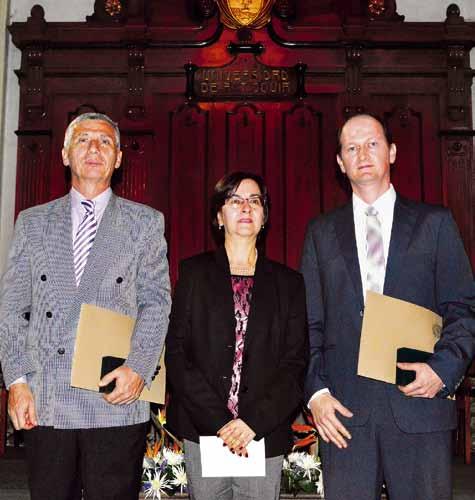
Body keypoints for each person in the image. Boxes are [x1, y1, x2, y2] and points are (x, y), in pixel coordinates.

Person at [301, 113, 475, 500]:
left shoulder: (435, 223)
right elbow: (308, 323)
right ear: (340, 162)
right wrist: (316, 394)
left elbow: (463, 309)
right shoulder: (321, 233)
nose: (362, 154)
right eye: (351, 147)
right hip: (343, 413)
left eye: (372, 143)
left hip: (419, 404)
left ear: (392, 152)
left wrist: (443, 370)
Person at [0, 112, 171, 500]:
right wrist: (17, 382)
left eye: (105, 141)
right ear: (64, 154)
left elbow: (157, 302)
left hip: (115, 395)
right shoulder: (32, 223)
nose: (94, 148)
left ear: (119, 158)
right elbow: (12, 309)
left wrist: (139, 368)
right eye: (83, 139)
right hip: (45, 398)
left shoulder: (145, 223)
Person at [165, 171, 308, 500]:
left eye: (254, 201)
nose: (246, 207)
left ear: (264, 216)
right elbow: (177, 353)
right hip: (203, 427)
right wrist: (219, 422)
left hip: (263, 431)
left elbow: (295, 363)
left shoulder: (289, 284)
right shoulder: (193, 274)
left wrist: (252, 423)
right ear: (219, 216)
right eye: (235, 200)